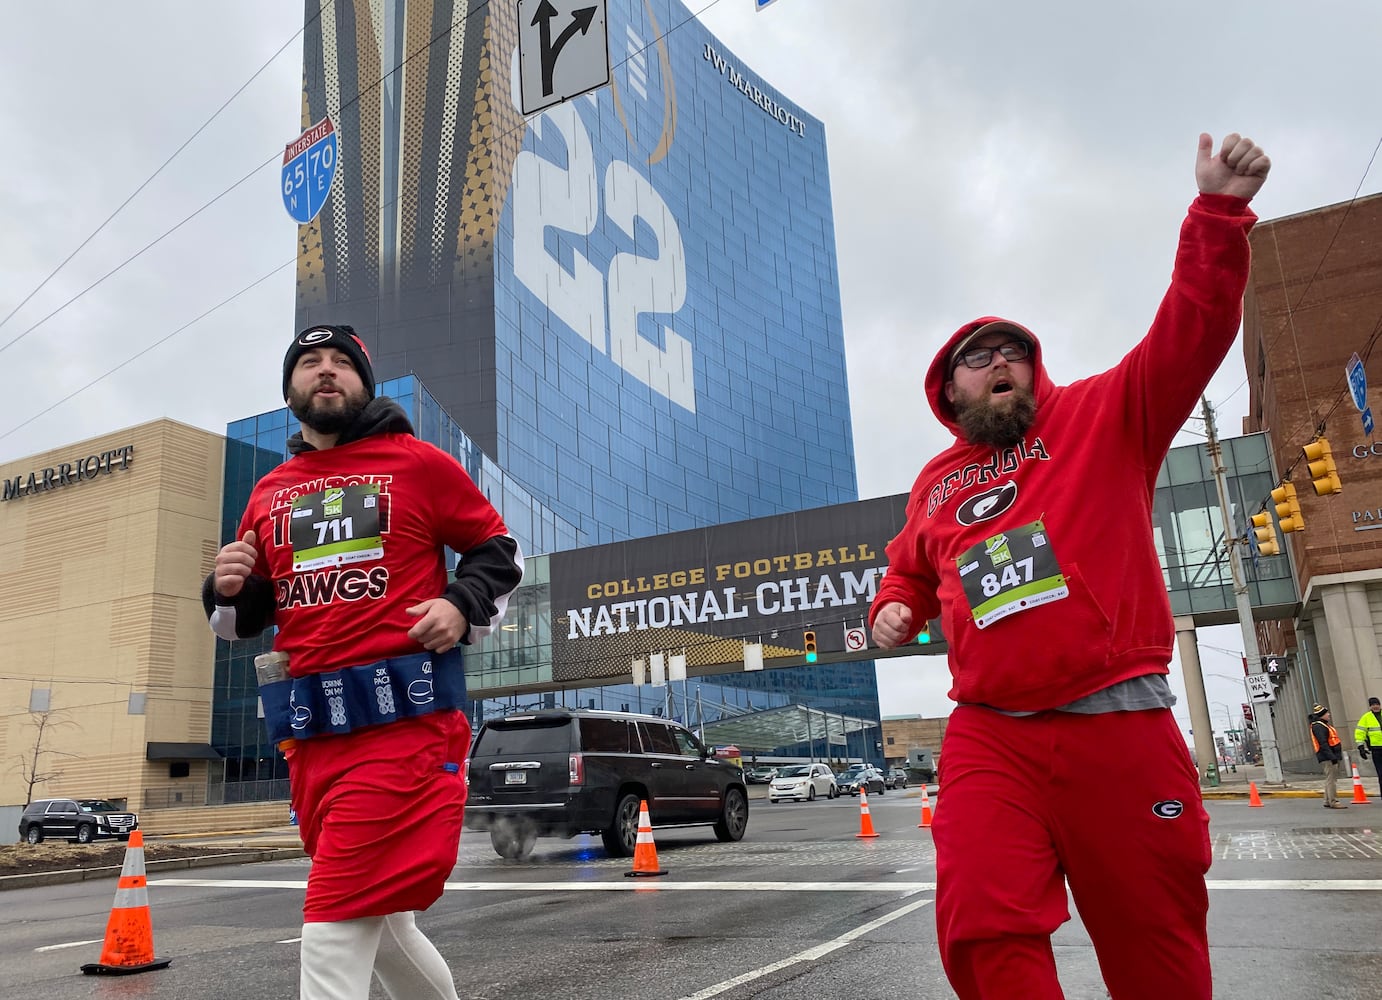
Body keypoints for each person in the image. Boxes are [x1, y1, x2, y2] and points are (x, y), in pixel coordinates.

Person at [868, 133, 1270, 1000]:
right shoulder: (934, 485)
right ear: (950, 394)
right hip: (990, 732)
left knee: (1153, 939)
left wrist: (1217, 212)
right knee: (981, 920)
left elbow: (1191, 332)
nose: (999, 360)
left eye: (1011, 347)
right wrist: (891, 609)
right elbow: (906, 572)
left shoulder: (1103, 415)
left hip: (1118, 725)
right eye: (977, 357)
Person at [201, 325, 523, 1000]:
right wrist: (225, 587)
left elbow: (501, 553)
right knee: (386, 923)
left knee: (334, 918)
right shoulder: (269, 492)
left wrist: (461, 603)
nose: (325, 370)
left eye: (342, 362)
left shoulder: (420, 464)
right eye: (310, 362)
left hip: (403, 724)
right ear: (290, 388)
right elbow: (241, 622)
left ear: (364, 384)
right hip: (311, 733)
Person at [1311, 704, 1347, 808]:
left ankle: (1327, 800)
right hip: (1328, 756)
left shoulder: (1323, 725)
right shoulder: (1319, 726)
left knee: (1329, 778)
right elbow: (1323, 743)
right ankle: (1333, 801)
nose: (1329, 714)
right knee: (1332, 779)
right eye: (1327, 713)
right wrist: (1332, 756)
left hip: (1329, 755)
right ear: (1322, 715)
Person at [1354, 696, 1382, 790]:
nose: (1375, 706)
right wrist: (1361, 747)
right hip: (1376, 749)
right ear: (1370, 707)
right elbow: (1360, 733)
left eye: (1377, 704)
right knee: (1381, 774)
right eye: (1373, 705)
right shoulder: (1366, 718)